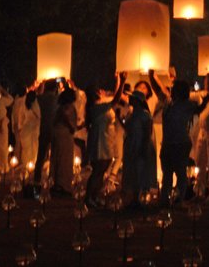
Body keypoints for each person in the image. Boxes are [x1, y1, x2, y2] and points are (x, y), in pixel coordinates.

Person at [155, 72, 197, 204]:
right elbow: (159, 91)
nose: (171, 91)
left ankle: (179, 199)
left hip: (180, 143)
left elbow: (200, 107)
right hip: (168, 143)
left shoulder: (188, 105)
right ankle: (164, 200)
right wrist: (152, 76)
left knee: (180, 172)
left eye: (174, 89)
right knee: (166, 173)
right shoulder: (168, 103)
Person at [85, 76, 125, 205]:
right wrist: (123, 81)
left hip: (106, 140)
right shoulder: (97, 107)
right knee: (98, 170)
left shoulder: (101, 105)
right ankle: (89, 197)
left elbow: (115, 96)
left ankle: (94, 195)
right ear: (96, 94)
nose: (103, 91)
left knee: (102, 170)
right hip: (100, 141)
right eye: (100, 90)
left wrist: (118, 80)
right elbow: (116, 100)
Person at [122, 90, 157, 207]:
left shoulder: (145, 114)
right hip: (132, 144)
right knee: (133, 170)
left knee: (141, 170)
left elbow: (148, 132)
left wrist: (144, 146)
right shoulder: (131, 113)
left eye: (132, 98)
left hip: (141, 144)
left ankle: (142, 199)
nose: (129, 99)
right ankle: (135, 198)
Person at [50, 87, 79, 195]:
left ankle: (57, 182)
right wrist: (71, 126)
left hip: (58, 133)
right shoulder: (67, 107)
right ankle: (63, 185)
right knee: (64, 159)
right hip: (64, 134)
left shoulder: (61, 106)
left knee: (58, 157)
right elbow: (65, 116)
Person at [12, 87, 41, 170]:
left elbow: (38, 117)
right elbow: (21, 118)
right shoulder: (25, 106)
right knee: (28, 148)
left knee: (33, 147)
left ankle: (32, 163)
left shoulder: (34, 106)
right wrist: (21, 127)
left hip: (32, 130)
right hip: (27, 130)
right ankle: (27, 163)